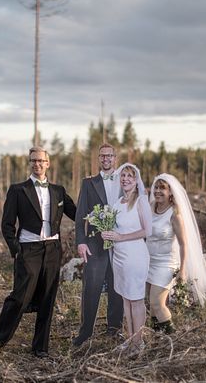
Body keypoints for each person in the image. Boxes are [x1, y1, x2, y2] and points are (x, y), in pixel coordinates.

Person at [0, 146, 76, 358]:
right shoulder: (18, 190)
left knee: (48, 299)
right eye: (33, 161)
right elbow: (7, 224)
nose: (37, 164)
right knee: (20, 297)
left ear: (48, 164)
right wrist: (16, 249)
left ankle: (40, 348)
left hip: (53, 250)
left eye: (41, 161)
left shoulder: (58, 191)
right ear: (30, 164)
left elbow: (77, 213)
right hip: (28, 250)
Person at [146, 173, 206, 333]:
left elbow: (184, 245)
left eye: (162, 188)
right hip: (149, 262)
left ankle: (173, 337)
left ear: (170, 193)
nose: (157, 191)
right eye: (156, 187)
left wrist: (182, 271)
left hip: (166, 264)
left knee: (157, 303)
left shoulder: (174, 215)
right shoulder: (150, 208)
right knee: (152, 305)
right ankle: (158, 337)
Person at [73, 143, 124, 347]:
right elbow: (79, 217)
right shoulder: (88, 183)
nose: (106, 159)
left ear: (115, 158)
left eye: (109, 156)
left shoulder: (125, 181)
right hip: (95, 244)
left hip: (121, 245)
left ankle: (115, 330)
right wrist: (81, 242)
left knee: (117, 288)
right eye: (102, 156)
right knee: (91, 289)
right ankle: (85, 333)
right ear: (98, 159)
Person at [100, 163, 152, 354]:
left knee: (136, 299)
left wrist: (122, 237)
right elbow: (116, 230)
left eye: (130, 176)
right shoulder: (116, 204)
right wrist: (108, 234)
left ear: (136, 180)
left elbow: (148, 230)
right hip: (119, 257)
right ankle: (130, 339)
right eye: (123, 176)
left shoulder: (141, 201)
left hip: (135, 256)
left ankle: (138, 343)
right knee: (125, 299)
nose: (125, 179)